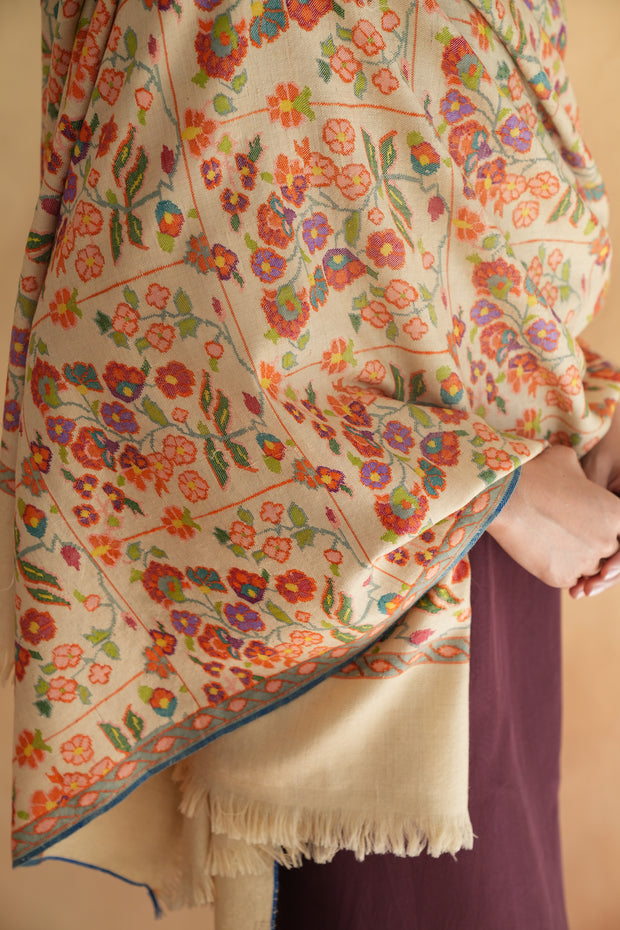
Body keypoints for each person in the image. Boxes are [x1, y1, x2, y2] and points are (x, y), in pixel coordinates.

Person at [2, 0, 620, 927]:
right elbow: (147, 321)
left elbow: (465, 227)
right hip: (359, 586)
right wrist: (500, 491)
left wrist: (585, 397)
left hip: (521, 549)